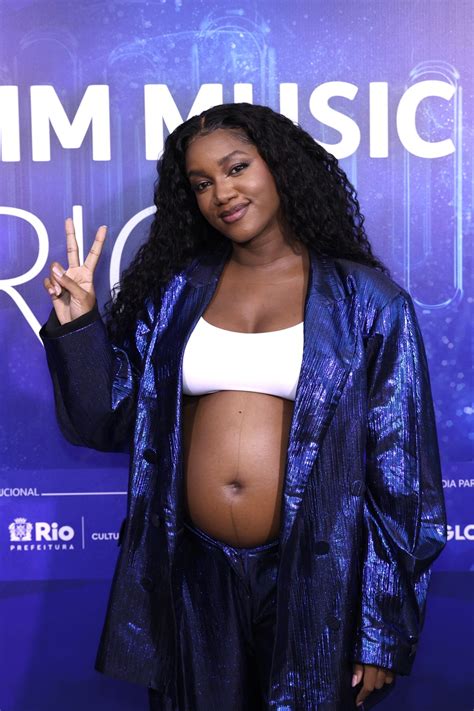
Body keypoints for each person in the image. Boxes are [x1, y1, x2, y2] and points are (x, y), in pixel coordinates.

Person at [40, 103, 447, 710]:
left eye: (236, 168)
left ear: (277, 166)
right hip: (192, 573)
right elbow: (105, 418)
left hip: (315, 579)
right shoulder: (176, 293)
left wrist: (381, 630)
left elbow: (402, 482)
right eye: (201, 184)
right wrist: (79, 326)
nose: (221, 193)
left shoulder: (370, 303)